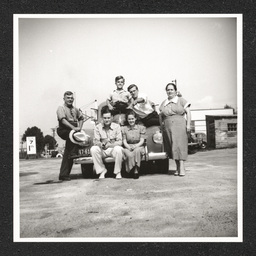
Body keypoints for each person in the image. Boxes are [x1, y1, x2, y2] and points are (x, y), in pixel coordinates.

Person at [159, 83, 191, 177]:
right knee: (172, 146)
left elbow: (188, 112)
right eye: (168, 90)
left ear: (175, 91)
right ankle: (177, 168)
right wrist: (162, 127)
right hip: (168, 127)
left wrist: (188, 125)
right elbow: (160, 115)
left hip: (179, 125)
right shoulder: (164, 103)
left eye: (171, 89)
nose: (169, 91)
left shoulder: (181, 100)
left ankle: (182, 168)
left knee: (180, 145)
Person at [56, 91, 84, 181]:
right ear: (64, 99)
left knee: (68, 150)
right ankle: (74, 152)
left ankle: (64, 175)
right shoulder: (61, 108)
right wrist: (73, 128)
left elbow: (81, 118)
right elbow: (63, 120)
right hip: (64, 129)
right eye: (68, 98)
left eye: (71, 98)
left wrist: (79, 127)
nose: (70, 99)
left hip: (73, 130)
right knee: (72, 138)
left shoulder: (76, 109)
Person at [90, 105, 123, 179]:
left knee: (119, 149)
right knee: (93, 149)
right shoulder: (97, 127)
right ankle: (102, 170)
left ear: (112, 117)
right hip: (102, 150)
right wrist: (100, 144)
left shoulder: (117, 126)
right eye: (105, 118)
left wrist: (110, 145)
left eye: (108, 118)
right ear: (102, 117)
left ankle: (117, 172)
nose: (106, 120)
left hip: (112, 149)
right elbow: (95, 141)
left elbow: (120, 142)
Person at [122, 110, 146, 179]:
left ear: (135, 119)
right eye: (129, 119)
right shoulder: (124, 129)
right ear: (127, 120)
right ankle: (129, 170)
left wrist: (136, 146)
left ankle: (136, 170)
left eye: (132, 119)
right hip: (128, 146)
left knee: (137, 151)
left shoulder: (141, 128)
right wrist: (128, 147)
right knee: (126, 152)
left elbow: (142, 140)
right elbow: (124, 141)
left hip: (138, 146)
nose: (131, 120)